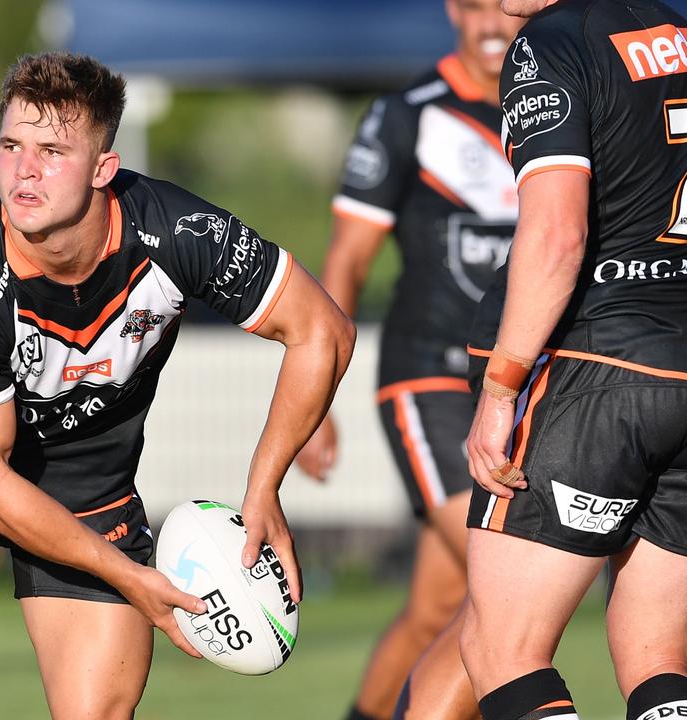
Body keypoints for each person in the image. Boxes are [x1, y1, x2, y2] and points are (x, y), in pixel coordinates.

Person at [0, 52, 356, 720]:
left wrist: (264, 488)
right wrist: (127, 576)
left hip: (91, 491)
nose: (24, 170)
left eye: (52, 151)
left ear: (102, 169)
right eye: (11, 145)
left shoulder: (177, 232)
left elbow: (322, 330)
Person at [456, 1, 687, 719]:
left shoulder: (551, 40)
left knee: (503, 652)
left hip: (597, 369)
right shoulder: (676, 31)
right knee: (658, 657)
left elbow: (557, 233)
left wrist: (502, 387)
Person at [294, 2, 524, 717]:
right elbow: (347, 261)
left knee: (440, 609)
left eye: (507, 7)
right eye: (477, 5)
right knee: (510, 584)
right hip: (430, 378)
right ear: (454, 9)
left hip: (526, 387)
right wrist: (315, 396)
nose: (492, 25)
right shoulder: (408, 114)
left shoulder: (564, 104)